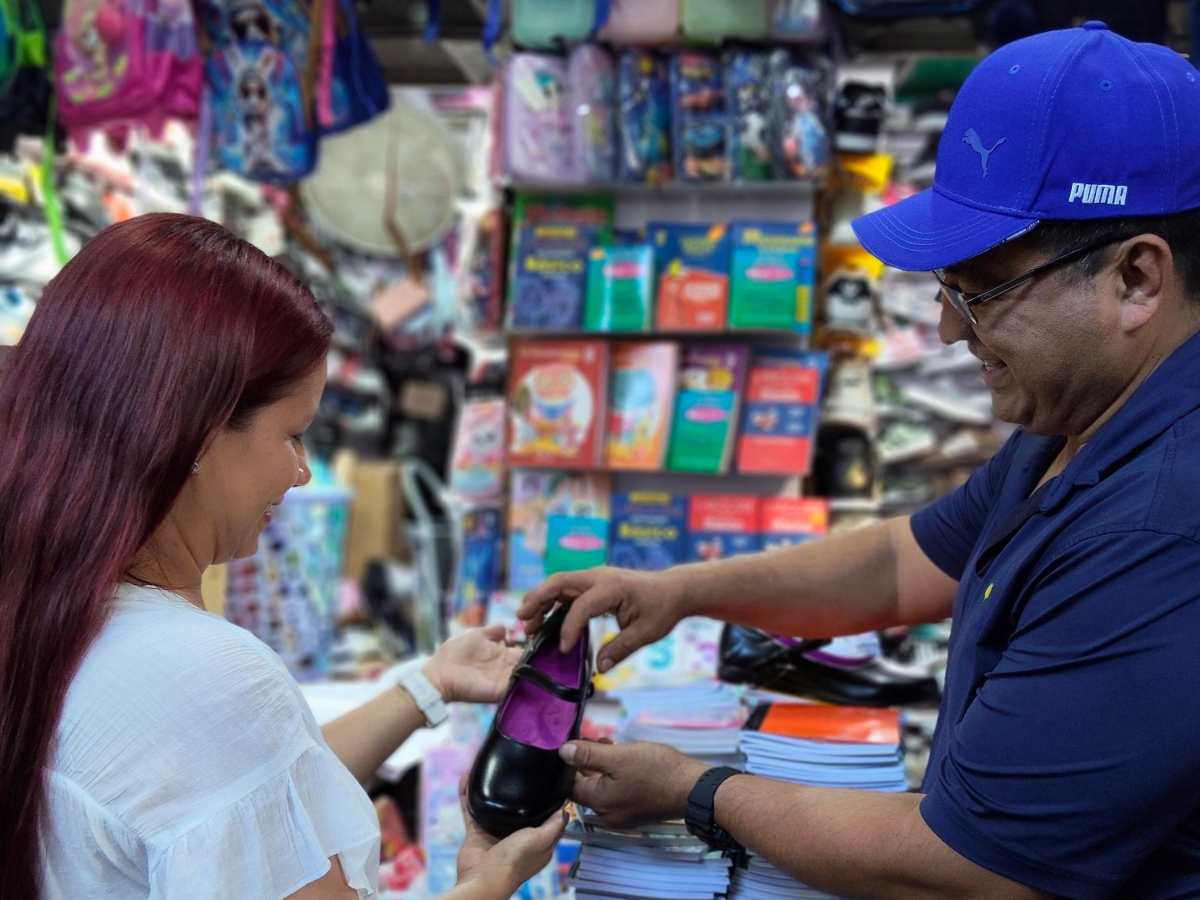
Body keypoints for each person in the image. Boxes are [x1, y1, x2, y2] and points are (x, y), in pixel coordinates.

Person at [520, 22, 1200, 899]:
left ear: (1137, 280)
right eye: (946, 291)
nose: (952, 329)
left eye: (981, 290)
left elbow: (972, 870)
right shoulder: (1083, 420)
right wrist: (680, 591)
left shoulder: (1164, 523)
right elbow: (899, 563)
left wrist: (695, 790)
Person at [0, 213, 564, 900]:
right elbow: (223, 765)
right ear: (201, 436)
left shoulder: (52, 608)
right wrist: (488, 882)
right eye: (292, 435)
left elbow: (234, 795)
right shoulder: (200, 676)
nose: (300, 473)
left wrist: (430, 685)